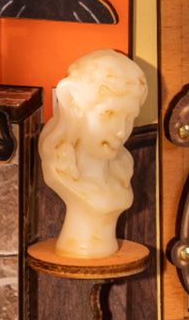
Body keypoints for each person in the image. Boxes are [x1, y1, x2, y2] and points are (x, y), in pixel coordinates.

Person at [38, 49, 147, 259]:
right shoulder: (60, 171)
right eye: (109, 114)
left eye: (130, 117)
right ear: (73, 105)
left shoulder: (122, 170)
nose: (121, 131)